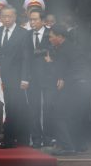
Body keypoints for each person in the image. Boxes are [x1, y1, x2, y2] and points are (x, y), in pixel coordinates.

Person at [48, 25, 91, 155]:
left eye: (51, 36)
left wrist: (50, 62)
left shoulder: (63, 49)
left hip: (75, 85)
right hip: (85, 86)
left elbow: (61, 72)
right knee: (76, 116)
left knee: (57, 112)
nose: (50, 39)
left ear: (60, 37)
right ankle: (79, 145)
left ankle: (66, 146)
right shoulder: (74, 47)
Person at [0, 5, 30, 148]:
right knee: (0, 107)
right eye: (4, 16)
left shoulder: (23, 33)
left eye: (9, 16)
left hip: (16, 78)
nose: (7, 19)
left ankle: (11, 139)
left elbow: (27, 58)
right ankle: (0, 136)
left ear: (15, 17)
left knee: (14, 108)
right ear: (0, 17)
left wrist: (25, 78)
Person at [26, 8, 57, 148]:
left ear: (43, 21)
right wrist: (24, 77)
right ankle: (36, 138)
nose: (32, 22)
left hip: (49, 76)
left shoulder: (51, 34)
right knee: (34, 109)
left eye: (35, 19)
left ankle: (49, 137)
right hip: (32, 78)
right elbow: (25, 57)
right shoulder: (27, 35)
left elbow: (57, 52)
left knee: (49, 107)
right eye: (30, 19)